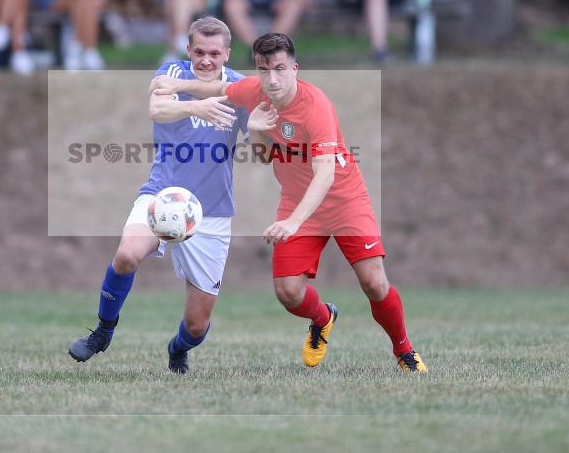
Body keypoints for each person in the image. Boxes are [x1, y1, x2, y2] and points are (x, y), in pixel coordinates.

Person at [150, 32, 428, 372]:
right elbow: (216, 91)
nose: (272, 79)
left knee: (373, 282)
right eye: (264, 69)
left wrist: (294, 221)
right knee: (288, 292)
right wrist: (173, 85)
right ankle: (323, 318)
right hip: (297, 201)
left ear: (295, 68)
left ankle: (404, 351)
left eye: (280, 69)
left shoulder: (316, 107)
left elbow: (324, 174)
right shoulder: (254, 92)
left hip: (344, 201)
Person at [68, 16, 248, 374]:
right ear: (188, 50)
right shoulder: (172, 71)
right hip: (162, 197)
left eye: (214, 53)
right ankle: (103, 331)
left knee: (197, 326)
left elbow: (260, 134)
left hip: (211, 212)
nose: (206, 61)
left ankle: (178, 348)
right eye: (199, 52)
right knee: (126, 255)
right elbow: (157, 108)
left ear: (227, 53)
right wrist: (198, 106)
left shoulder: (241, 88)